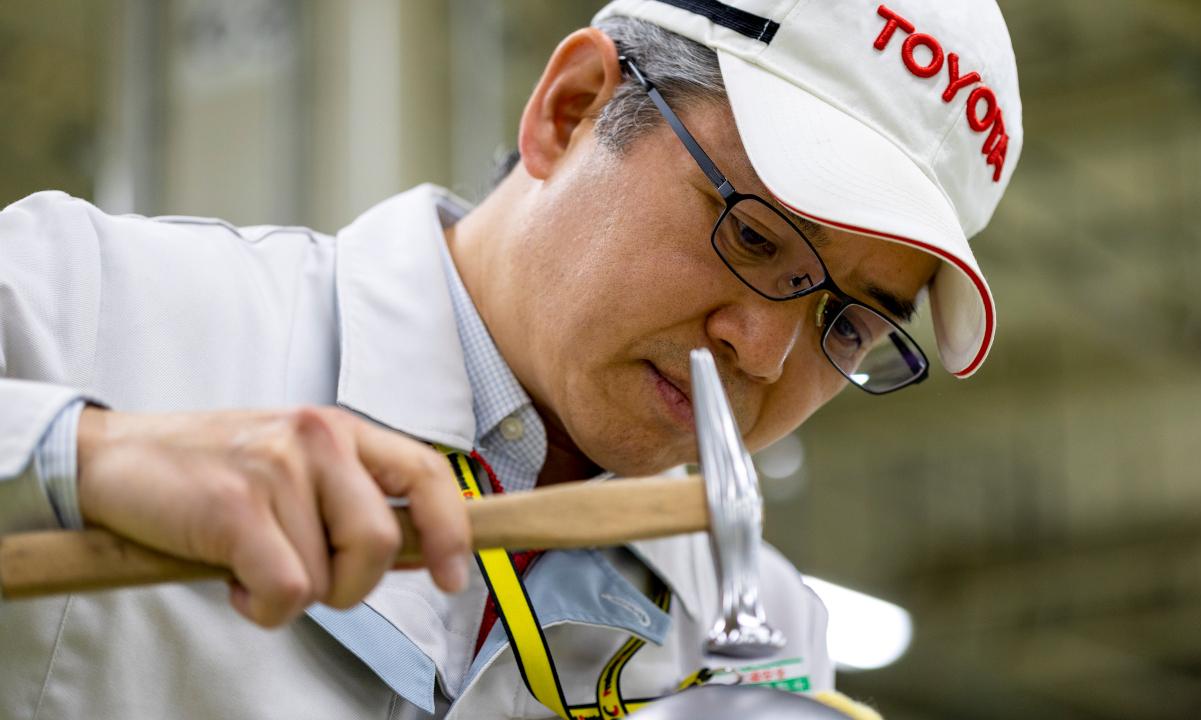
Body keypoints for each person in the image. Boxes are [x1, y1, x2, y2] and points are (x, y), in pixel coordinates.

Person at [0, 0, 1022, 718]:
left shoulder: (760, 639)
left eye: (848, 326)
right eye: (753, 237)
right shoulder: (87, 305)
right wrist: (76, 454)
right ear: (570, 109)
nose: (759, 351)